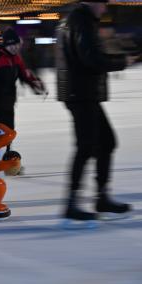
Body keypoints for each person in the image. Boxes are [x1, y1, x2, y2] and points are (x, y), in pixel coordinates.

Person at [55, 0, 138, 224]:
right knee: (86, 146)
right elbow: (90, 58)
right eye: (102, 4)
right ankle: (71, 204)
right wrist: (121, 61)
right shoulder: (80, 21)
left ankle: (102, 198)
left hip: (80, 92)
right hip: (80, 93)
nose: (105, 9)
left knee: (106, 142)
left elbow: (88, 54)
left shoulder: (78, 20)